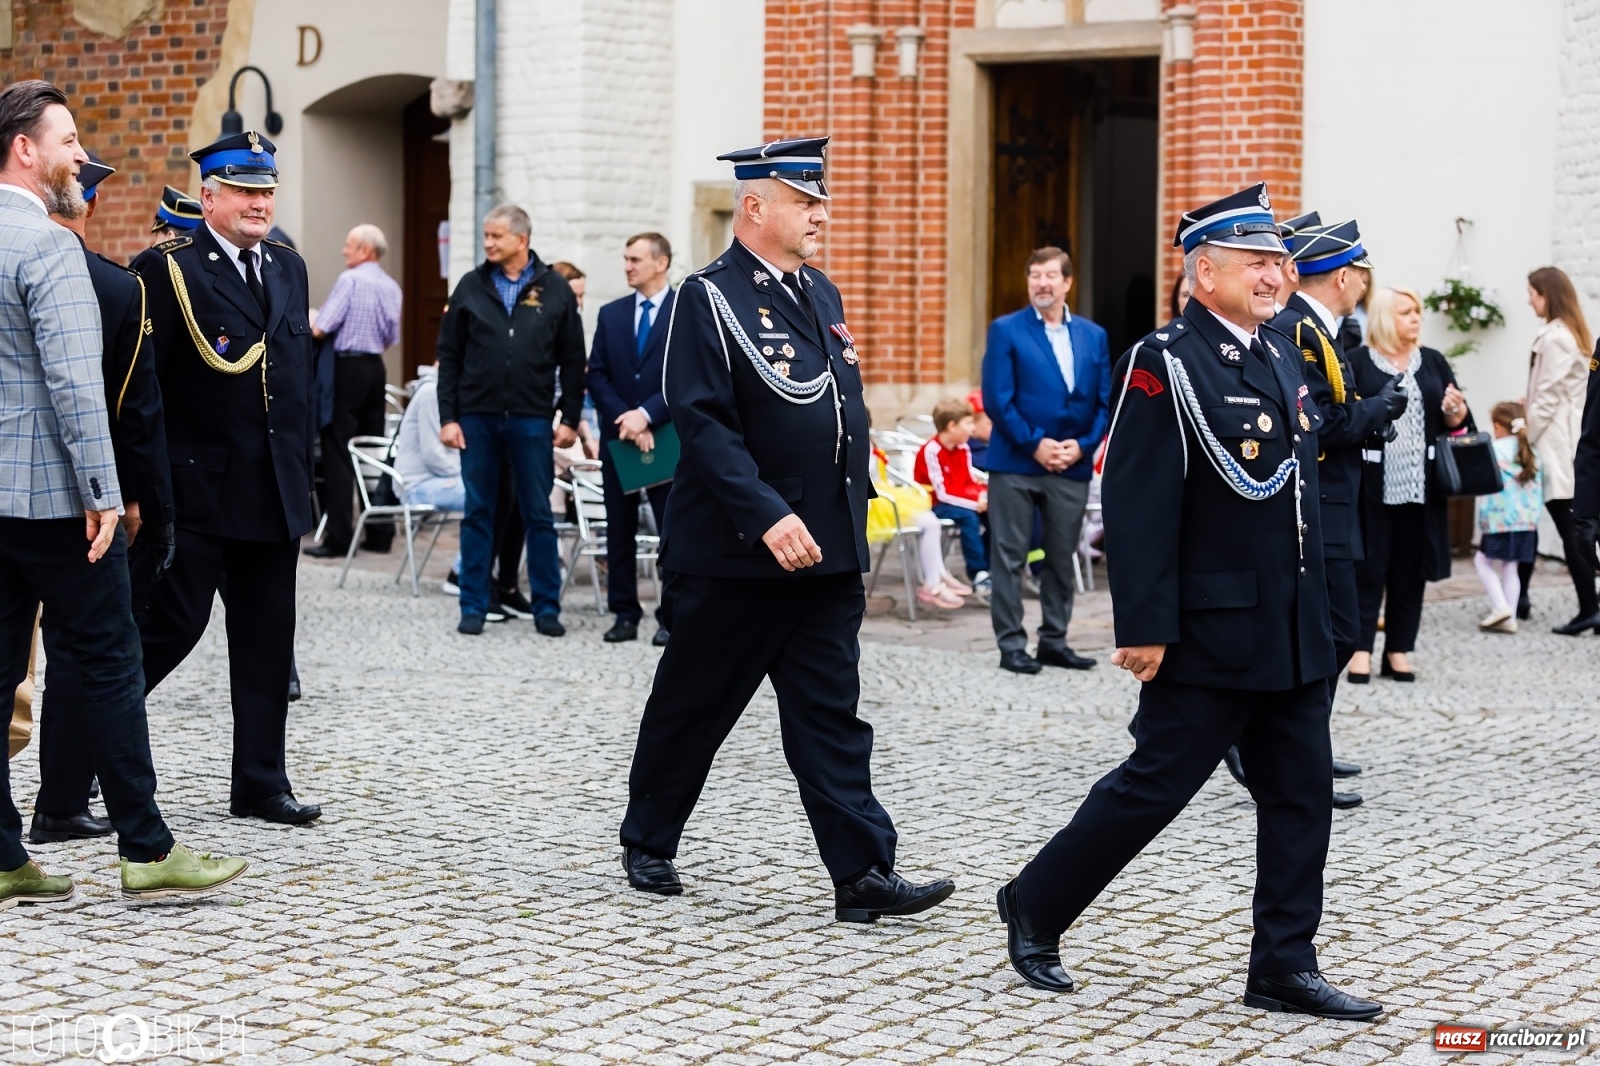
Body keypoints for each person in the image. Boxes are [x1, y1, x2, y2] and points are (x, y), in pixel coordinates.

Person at [997, 183, 1381, 1021]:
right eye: (1257, 261)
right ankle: (1036, 901)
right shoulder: (1165, 360)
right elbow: (1138, 504)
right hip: (1211, 630)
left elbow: (1299, 498)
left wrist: (1325, 620)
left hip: (1290, 628)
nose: (1276, 274)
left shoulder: (1282, 353)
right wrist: (1143, 625)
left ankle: (1282, 964)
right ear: (1206, 270)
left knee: (1300, 794)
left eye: (1279, 261)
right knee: (1154, 787)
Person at [616, 137, 954, 922]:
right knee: (694, 703)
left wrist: (851, 511)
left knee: (831, 714)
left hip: (824, 550)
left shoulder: (821, 293)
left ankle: (864, 875)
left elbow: (837, 409)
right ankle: (649, 839)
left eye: (821, 200)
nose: (822, 214)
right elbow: (703, 424)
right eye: (806, 201)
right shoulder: (707, 297)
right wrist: (768, 515)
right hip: (738, 552)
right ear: (756, 206)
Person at [0, 79, 247, 904]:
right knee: (109, 660)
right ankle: (146, 846)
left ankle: (5, 856)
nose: (78, 155)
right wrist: (106, 493)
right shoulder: (46, 247)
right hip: (56, 502)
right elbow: (75, 383)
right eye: (68, 140)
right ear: (24, 149)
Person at [130, 129, 323, 826]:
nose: (258, 203)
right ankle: (91, 758)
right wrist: (144, 489)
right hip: (197, 490)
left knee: (269, 640)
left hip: (272, 491)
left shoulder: (287, 266)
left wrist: (308, 476)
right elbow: (142, 387)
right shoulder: (167, 267)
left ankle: (261, 783)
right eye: (244, 190)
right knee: (165, 632)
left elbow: (295, 381)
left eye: (266, 191)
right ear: (208, 195)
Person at [31, 151, 178, 844]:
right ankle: (67, 806)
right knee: (90, 653)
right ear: (86, 205)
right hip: (85, 498)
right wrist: (141, 499)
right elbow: (132, 410)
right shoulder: (116, 288)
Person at [1269, 220, 1406, 809]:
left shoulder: (1316, 327)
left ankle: (1300, 754)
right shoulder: (1298, 329)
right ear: (1345, 276)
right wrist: (1378, 407)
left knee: (1334, 633)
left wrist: (1377, 414)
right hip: (1317, 501)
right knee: (1337, 632)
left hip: (1334, 500)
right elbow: (1318, 425)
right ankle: (1289, 757)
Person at [437, 203, 585, 637]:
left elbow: (573, 361)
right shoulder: (469, 286)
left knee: (538, 513)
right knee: (478, 511)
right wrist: (449, 417)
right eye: (486, 235)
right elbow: (449, 357)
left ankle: (546, 609)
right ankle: (474, 604)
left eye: (496, 236)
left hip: (531, 419)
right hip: (477, 418)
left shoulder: (555, 289)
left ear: (522, 239)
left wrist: (570, 418)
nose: (488, 243)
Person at [980, 247, 1111, 675]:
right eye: (1035, 275)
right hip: (1016, 463)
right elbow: (998, 400)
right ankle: (1011, 645)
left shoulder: (1094, 336)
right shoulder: (1006, 330)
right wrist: (1036, 444)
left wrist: (1082, 446)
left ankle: (1054, 640)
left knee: (1061, 557)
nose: (1042, 283)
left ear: (1068, 282)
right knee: (1010, 556)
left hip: (1071, 465)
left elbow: (1104, 402)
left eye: (1051, 275)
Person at [1347, 287, 1471, 683]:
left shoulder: (1433, 362)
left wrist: (1457, 415)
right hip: (1370, 489)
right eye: (1406, 312)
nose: (1416, 318)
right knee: (1366, 570)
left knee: (1410, 571)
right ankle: (1361, 650)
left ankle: (1399, 649)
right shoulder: (1357, 363)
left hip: (1422, 489)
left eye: (1417, 312)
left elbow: (1458, 424)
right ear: (1385, 317)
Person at [587, 232, 676, 645]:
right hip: (620, 436)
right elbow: (597, 375)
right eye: (625, 258)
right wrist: (626, 418)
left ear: (661, 263)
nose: (627, 266)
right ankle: (624, 613)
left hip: (667, 437)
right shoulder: (612, 314)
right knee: (618, 530)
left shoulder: (684, 311)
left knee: (672, 533)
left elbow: (687, 375)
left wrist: (647, 416)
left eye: (635, 259)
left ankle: (671, 616)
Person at [305, 224, 403, 559]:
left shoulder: (350, 280)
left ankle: (339, 537)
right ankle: (379, 532)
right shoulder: (391, 286)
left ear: (365, 250)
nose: (344, 251)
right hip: (375, 367)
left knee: (338, 449)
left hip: (345, 370)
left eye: (349, 246)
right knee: (373, 451)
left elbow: (321, 328)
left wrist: (310, 321)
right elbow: (392, 337)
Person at [1521, 267, 1595, 633]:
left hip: (1557, 443)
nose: (1529, 300)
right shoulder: (1568, 334)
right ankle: (1590, 607)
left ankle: (1589, 607)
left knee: (1571, 527)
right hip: (1561, 439)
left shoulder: (1556, 338)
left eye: (1532, 293)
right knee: (1572, 525)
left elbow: (1548, 395)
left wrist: (1527, 434)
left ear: (1547, 295)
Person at [867, 444, 968, 610]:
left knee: (931, 522)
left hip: (884, 496)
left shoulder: (870, 446)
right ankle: (934, 580)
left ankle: (938, 575)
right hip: (875, 504)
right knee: (930, 523)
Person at [1475, 402, 1542, 633]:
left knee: (1482, 561)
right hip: (1526, 522)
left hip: (1498, 521)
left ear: (1497, 426)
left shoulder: (1493, 449)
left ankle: (1500, 607)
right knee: (1510, 567)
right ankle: (1510, 617)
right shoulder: (1531, 452)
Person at [914, 396, 988, 589]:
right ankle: (978, 572)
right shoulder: (932, 450)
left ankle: (991, 567)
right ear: (952, 426)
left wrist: (983, 496)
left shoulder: (963, 448)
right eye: (969, 423)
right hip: (935, 504)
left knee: (992, 512)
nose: (973, 428)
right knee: (970, 517)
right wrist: (974, 503)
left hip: (958, 500)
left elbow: (968, 482)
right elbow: (943, 494)